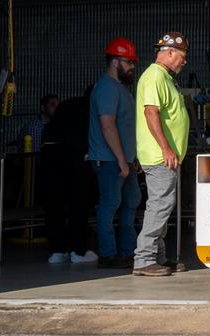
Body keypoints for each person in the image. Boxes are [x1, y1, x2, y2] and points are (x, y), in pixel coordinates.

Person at [133, 31, 191, 277]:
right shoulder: (155, 76)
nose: (184, 61)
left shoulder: (164, 77)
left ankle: (158, 257)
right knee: (160, 205)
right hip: (160, 157)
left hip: (166, 157)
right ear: (169, 52)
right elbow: (151, 113)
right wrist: (166, 148)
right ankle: (144, 259)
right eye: (182, 56)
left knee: (164, 206)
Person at [87, 37, 141, 269]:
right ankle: (108, 255)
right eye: (128, 61)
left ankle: (127, 251)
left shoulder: (119, 89)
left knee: (130, 202)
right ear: (115, 62)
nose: (132, 67)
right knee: (110, 205)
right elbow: (107, 125)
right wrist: (122, 160)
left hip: (122, 161)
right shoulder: (107, 89)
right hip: (110, 161)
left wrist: (131, 158)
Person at [41, 91, 96, 264]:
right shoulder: (86, 109)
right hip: (74, 158)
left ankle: (57, 251)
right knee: (77, 205)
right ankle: (78, 250)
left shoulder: (67, 107)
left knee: (54, 206)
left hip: (50, 157)